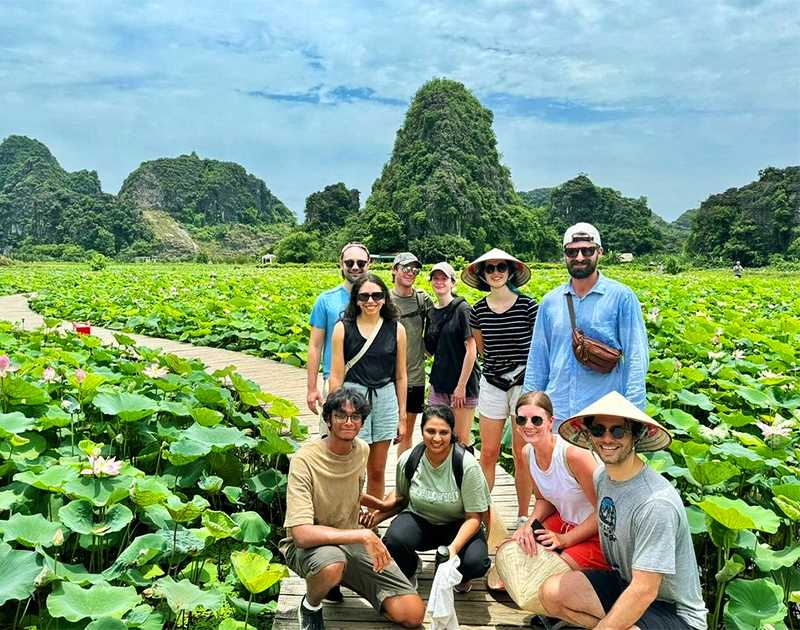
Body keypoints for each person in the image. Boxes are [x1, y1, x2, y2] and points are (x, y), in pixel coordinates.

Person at [540, 391, 708, 630]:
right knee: (551, 593)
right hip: (626, 582)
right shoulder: (602, 478)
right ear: (589, 434)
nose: (607, 438)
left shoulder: (655, 503)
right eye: (598, 430)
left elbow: (645, 590)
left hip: (674, 611)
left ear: (635, 436)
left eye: (618, 431)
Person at [280, 388, 425, 630]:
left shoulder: (361, 450)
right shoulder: (304, 460)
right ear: (328, 420)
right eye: (341, 415)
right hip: (311, 547)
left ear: (362, 422)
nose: (348, 422)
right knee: (332, 564)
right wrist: (364, 535)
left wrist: (381, 505)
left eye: (355, 416)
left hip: (350, 540)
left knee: (412, 614)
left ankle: (335, 580)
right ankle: (311, 605)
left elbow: (351, 492)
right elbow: (301, 535)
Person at [524, 223, 649, 425]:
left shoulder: (621, 297)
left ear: (600, 252)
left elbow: (636, 357)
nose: (580, 257)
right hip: (557, 412)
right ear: (564, 255)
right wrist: (530, 410)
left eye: (587, 250)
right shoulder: (550, 301)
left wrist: (633, 413)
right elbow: (538, 359)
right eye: (572, 252)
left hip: (604, 415)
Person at [364, 405, 491, 593]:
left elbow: (475, 517)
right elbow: (401, 500)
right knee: (393, 540)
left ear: (452, 433)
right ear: (421, 430)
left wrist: (453, 549)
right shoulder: (409, 459)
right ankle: (410, 568)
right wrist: (374, 519)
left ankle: (461, 575)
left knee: (476, 563)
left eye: (443, 432)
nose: (437, 438)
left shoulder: (466, 465)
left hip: (458, 525)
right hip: (421, 520)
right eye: (430, 431)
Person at [462, 248, 538, 527]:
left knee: (522, 453)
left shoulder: (528, 306)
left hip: (523, 384)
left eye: (501, 267)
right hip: (493, 383)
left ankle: (523, 515)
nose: (496, 272)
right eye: (490, 268)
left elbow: (538, 347)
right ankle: (481, 515)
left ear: (510, 272)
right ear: (482, 275)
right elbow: (482, 349)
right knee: (489, 452)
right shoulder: (477, 310)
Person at [509, 391, 608, 570]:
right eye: (522, 420)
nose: (528, 425)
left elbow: (605, 512)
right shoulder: (527, 453)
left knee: (548, 570)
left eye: (536, 420)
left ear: (551, 422)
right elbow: (543, 500)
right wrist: (528, 525)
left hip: (600, 533)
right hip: (565, 521)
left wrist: (564, 540)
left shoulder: (574, 455)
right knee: (516, 551)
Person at [329, 273, 406, 501]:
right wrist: (333, 414)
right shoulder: (343, 328)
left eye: (376, 295)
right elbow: (336, 375)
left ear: (385, 298)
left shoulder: (396, 329)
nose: (370, 301)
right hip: (352, 399)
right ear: (356, 299)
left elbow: (401, 376)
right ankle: (348, 515)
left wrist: (402, 417)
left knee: (377, 469)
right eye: (364, 296)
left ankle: (374, 516)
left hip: (385, 398)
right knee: (351, 467)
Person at [306, 242, 371, 426]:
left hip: (372, 383)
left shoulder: (377, 299)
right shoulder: (326, 300)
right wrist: (312, 388)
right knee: (332, 439)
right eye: (349, 263)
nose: (355, 267)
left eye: (361, 263)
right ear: (341, 264)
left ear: (369, 264)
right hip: (335, 382)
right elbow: (315, 346)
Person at [424, 261, 479, 446]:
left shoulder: (463, 310)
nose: (439, 282)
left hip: (463, 386)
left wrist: (460, 387)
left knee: (460, 441)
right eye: (435, 278)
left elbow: (471, 350)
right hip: (439, 384)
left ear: (452, 283)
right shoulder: (431, 313)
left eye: (444, 278)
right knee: (436, 437)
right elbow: (429, 350)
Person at [390, 252, 434, 453]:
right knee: (380, 433)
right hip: (387, 377)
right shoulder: (383, 299)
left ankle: (402, 472)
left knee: (406, 432)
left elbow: (438, 324)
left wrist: (430, 348)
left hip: (414, 376)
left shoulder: (422, 299)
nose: (411, 272)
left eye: (415, 269)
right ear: (394, 270)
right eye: (406, 268)